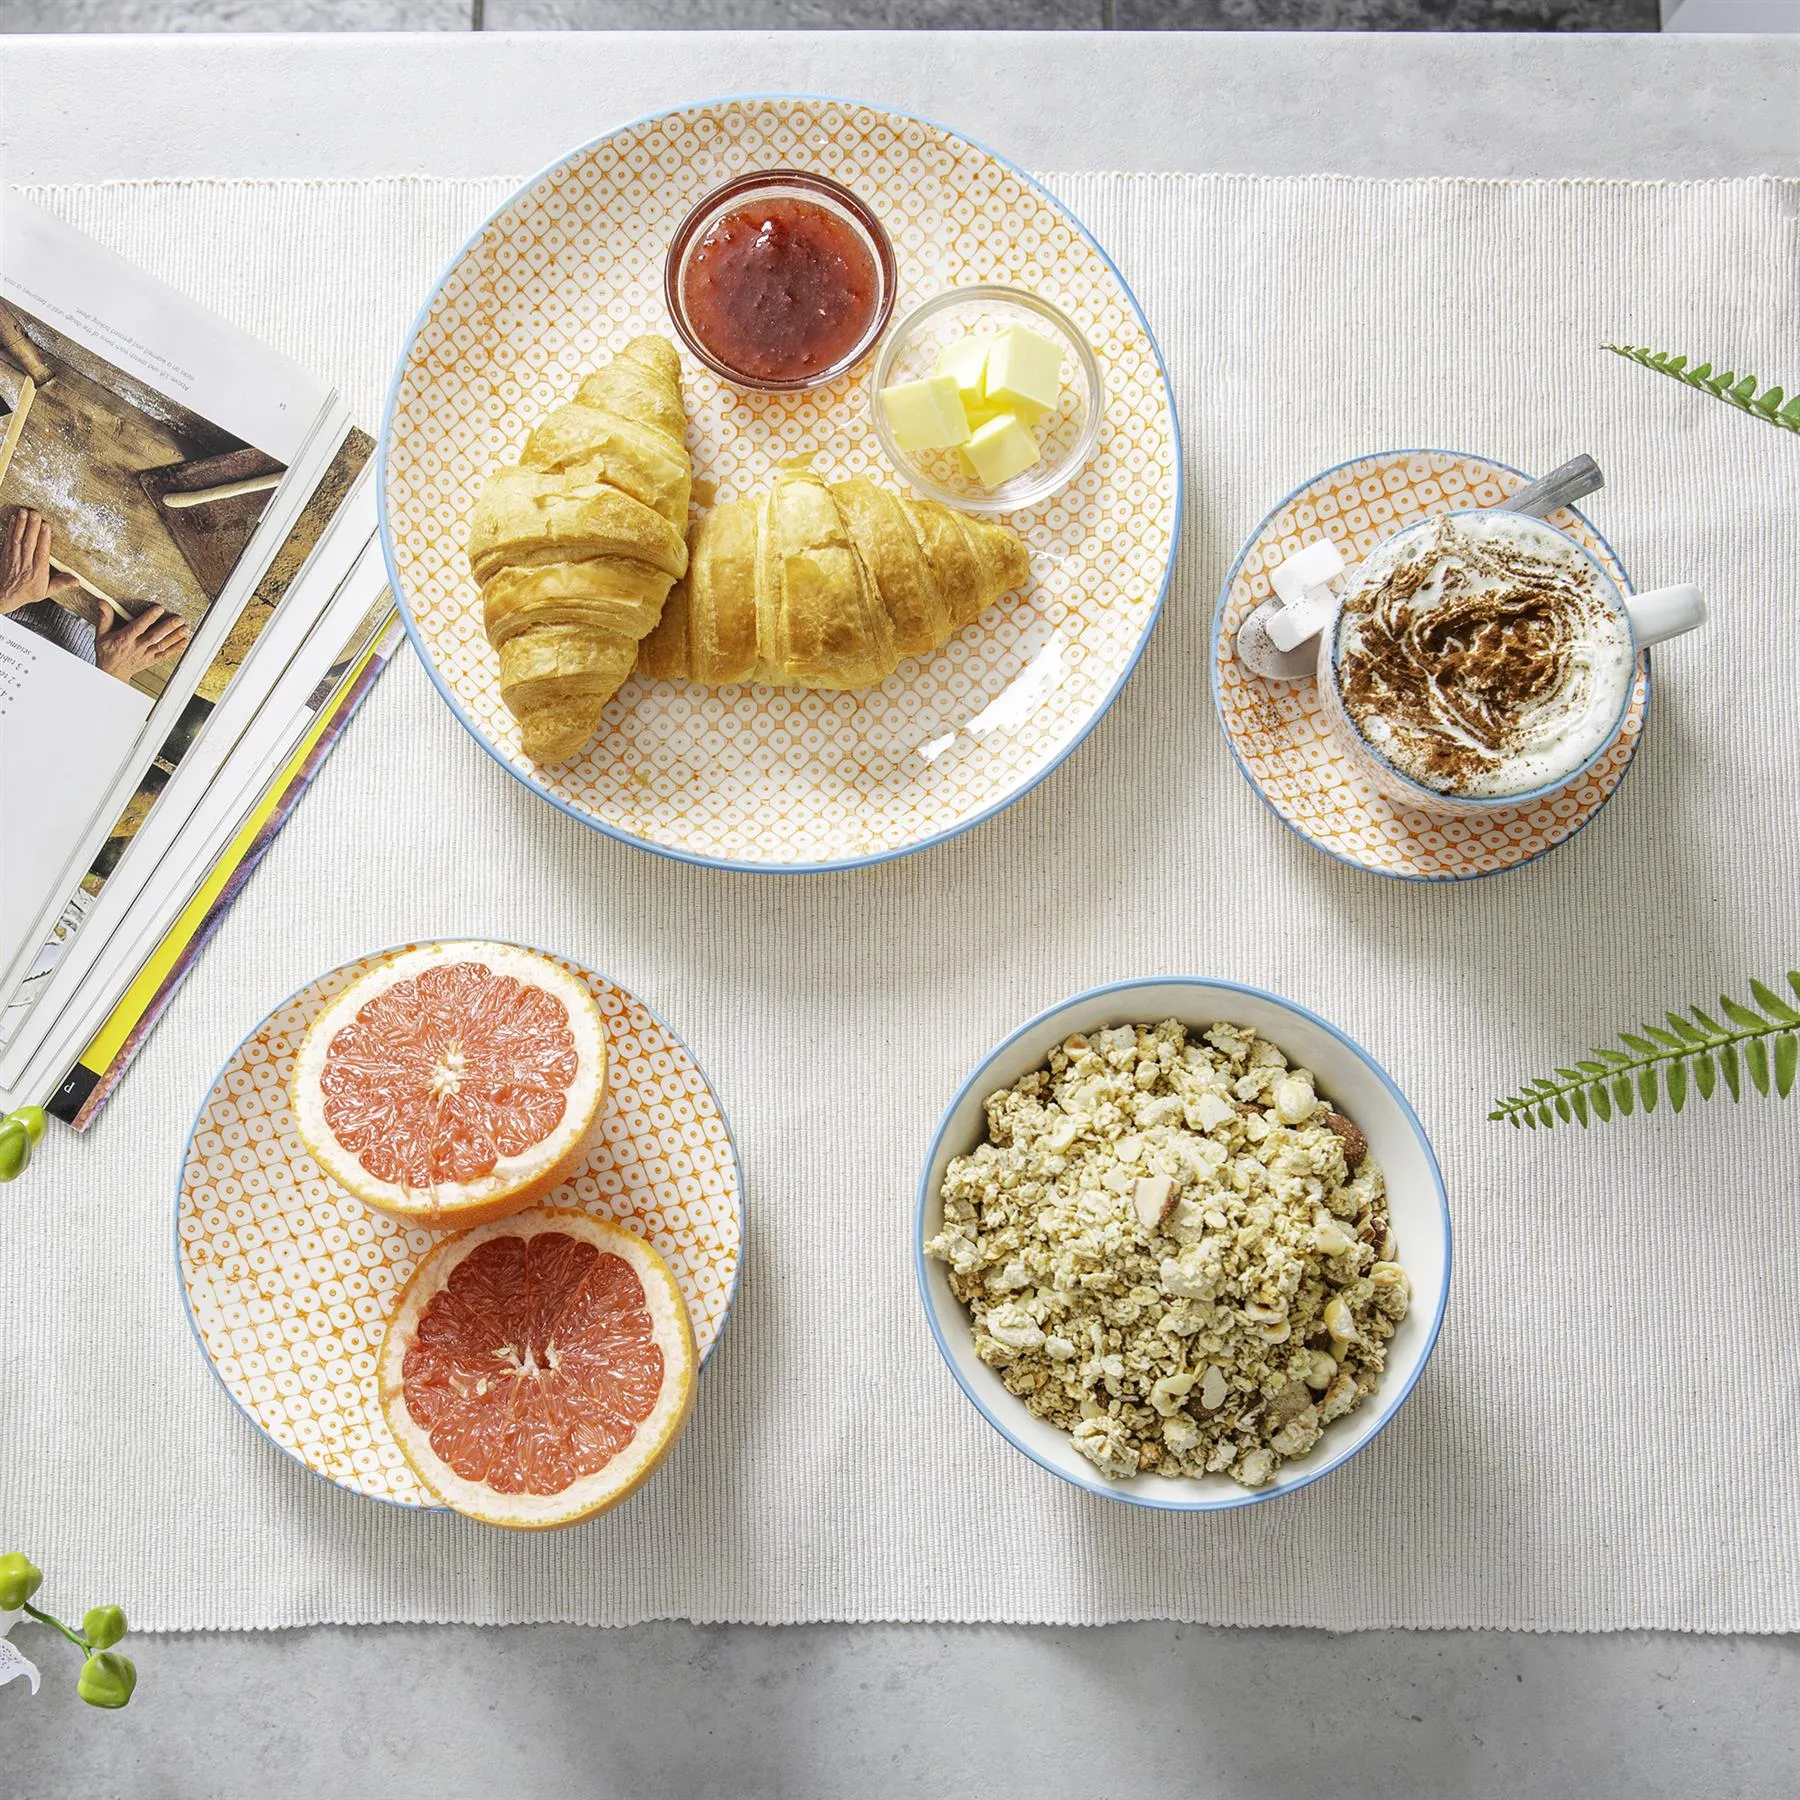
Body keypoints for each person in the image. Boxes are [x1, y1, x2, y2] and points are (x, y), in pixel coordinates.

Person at [0, 505, 191, 684]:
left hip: (15, 578)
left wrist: (6, 598)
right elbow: (102, 720)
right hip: (104, 649)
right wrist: (114, 675)